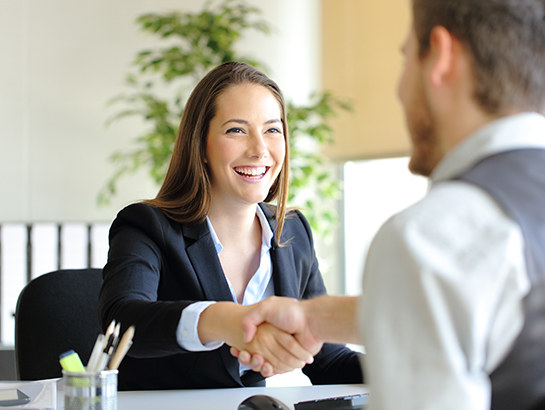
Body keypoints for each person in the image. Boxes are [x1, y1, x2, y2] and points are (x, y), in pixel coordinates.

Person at [234, 1, 545, 409]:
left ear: (441, 57)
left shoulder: (428, 237)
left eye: (404, 59)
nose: (398, 89)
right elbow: (484, 310)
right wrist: (315, 318)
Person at [98, 61, 363, 390]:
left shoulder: (292, 231)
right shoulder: (147, 226)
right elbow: (122, 322)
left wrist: (413, 362)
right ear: (202, 145)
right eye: (236, 130)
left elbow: (330, 360)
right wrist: (226, 321)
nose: (259, 149)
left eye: (272, 129)